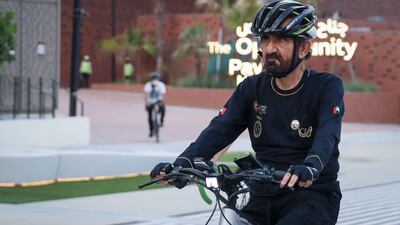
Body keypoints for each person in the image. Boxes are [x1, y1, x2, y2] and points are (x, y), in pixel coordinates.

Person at [150, 0, 345, 224]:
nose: (270, 49)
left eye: (281, 40)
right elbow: (219, 129)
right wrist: (181, 164)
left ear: (304, 48)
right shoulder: (252, 88)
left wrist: (311, 166)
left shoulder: (326, 86)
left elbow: (327, 135)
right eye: (266, 39)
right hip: (263, 196)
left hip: (311, 196)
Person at [144, 71, 166, 137]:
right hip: (150, 102)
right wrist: (146, 103)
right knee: (150, 116)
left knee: (163, 108)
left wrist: (162, 102)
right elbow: (146, 95)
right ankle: (151, 130)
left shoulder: (161, 85)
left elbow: (163, 94)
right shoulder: (148, 85)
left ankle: (161, 121)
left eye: (156, 78)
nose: (155, 80)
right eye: (153, 78)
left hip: (158, 101)